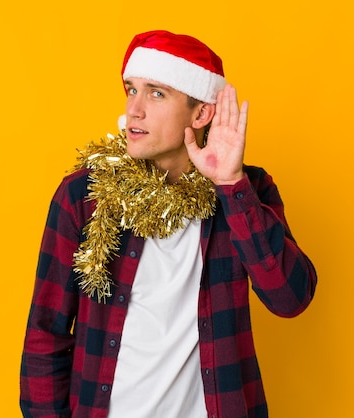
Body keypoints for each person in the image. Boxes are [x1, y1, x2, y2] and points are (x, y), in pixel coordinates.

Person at [20, 30, 317, 418]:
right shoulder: (84, 195)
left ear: (201, 113)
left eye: (156, 93)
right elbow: (46, 333)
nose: (135, 110)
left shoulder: (248, 190)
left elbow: (290, 299)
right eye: (131, 89)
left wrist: (231, 185)